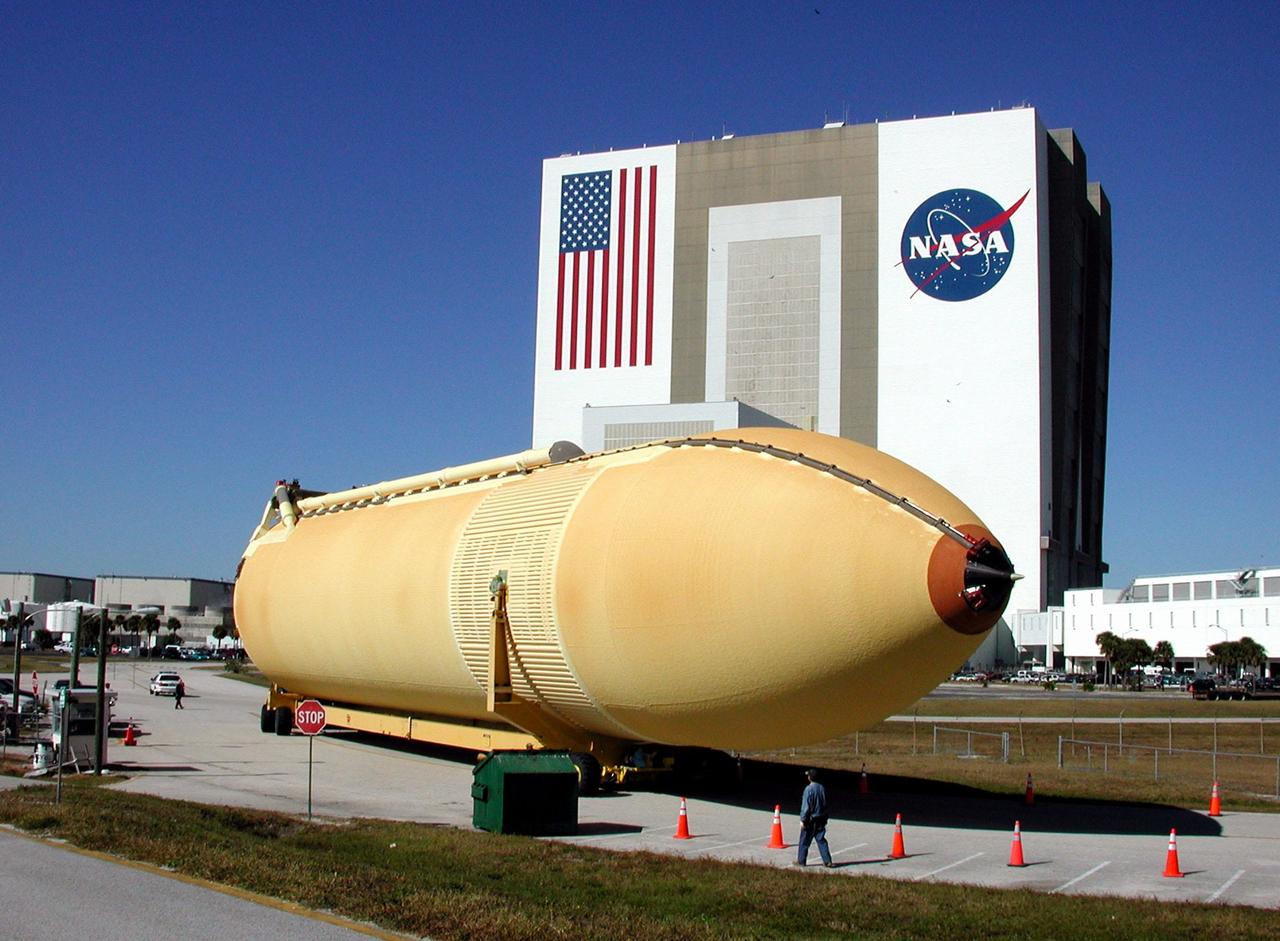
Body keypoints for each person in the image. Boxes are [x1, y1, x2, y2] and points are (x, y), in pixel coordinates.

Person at [795, 768, 833, 867]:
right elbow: (825, 804)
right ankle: (827, 860)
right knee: (821, 840)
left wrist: (803, 820)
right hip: (821, 818)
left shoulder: (808, 789)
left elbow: (805, 807)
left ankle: (801, 861)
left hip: (811, 819)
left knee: (804, 841)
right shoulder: (822, 788)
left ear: (810, 778)